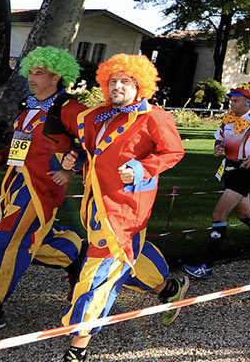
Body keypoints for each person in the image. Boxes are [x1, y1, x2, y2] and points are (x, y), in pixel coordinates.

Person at [59, 54, 189, 362]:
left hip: (126, 209)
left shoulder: (154, 117)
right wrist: (74, 159)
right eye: (112, 81)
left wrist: (142, 170)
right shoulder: (97, 116)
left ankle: (78, 345)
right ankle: (169, 288)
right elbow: (88, 152)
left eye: (125, 81)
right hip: (95, 204)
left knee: (96, 273)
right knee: (121, 261)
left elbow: (174, 152)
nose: (117, 86)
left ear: (140, 85)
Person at [0, 48, 86, 338]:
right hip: (15, 186)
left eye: (39, 73)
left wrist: (73, 162)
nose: (32, 77)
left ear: (56, 76)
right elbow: (21, 146)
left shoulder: (70, 108)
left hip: (42, 191)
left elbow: (92, 144)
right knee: (32, 241)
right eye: (31, 71)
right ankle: (76, 257)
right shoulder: (27, 106)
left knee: (7, 241)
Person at [182, 83, 250, 279]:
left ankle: (206, 266)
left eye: (235, 101)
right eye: (230, 100)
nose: (231, 104)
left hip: (247, 170)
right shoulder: (228, 119)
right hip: (229, 169)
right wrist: (218, 147)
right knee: (244, 213)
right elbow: (219, 139)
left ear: (248, 101)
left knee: (219, 214)